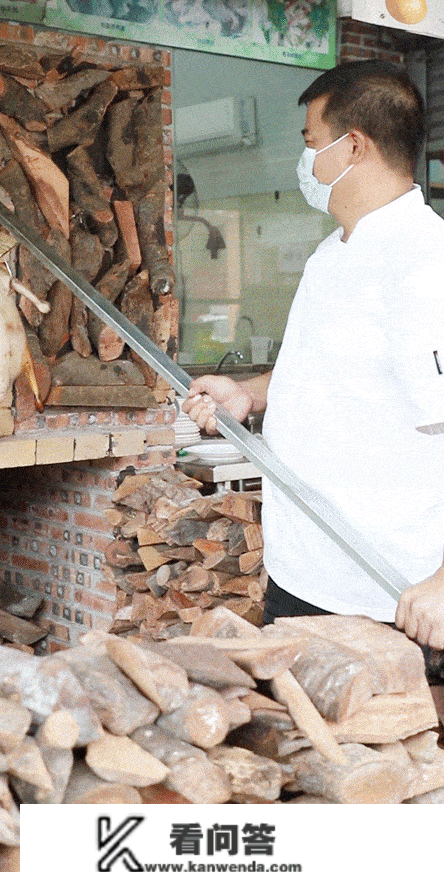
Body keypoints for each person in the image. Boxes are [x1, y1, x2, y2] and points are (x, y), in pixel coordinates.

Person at [183, 59, 444, 651]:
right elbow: (330, 364)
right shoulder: (336, 251)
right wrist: (250, 392)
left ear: (353, 147)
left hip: (387, 595)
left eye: (312, 143)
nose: (306, 160)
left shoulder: (424, 264)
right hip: (305, 574)